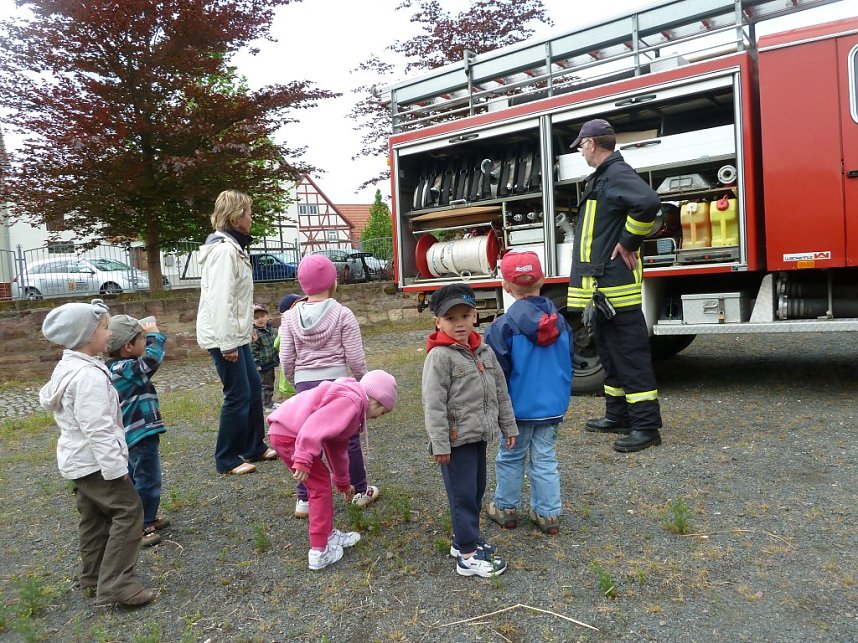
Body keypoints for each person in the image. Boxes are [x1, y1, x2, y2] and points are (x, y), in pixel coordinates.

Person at [39, 299, 155, 607]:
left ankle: (93, 575)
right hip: (96, 463)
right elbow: (98, 428)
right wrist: (116, 469)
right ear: (85, 336)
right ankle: (117, 584)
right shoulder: (88, 377)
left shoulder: (70, 367)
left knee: (93, 518)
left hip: (78, 462)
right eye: (104, 328)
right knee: (129, 512)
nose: (109, 333)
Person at [566, 118, 663, 452]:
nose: (581, 152)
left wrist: (629, 241)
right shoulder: (604, 176)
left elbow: (648, 203)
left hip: (616, 288)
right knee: (610, 355)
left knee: (630, 357)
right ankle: (618, 415)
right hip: (602, 288)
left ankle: (646, 427)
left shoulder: (616, 173)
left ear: (591, 144)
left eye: (581, 146)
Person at [423, 283, 518, 578]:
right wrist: (439, 443)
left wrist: (508, 425)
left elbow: (500, 392)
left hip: (478, 436)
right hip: (455, 442)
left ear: (475, 316)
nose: (459, 324)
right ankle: (467, 556)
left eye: (465, 316)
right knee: (462, 495)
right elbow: (433, 403)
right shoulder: (440, 357)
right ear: (437, 322)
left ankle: (465, 539)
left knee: (476, 490)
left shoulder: (484, 351)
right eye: (451, 319)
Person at [280, 254, 379, 519]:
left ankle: (304, 498)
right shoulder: (343, 314)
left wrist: (294, 379)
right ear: (333, 282)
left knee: (305, 438)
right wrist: (362, 383)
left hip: (305, 384)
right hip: (337, 383)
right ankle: (359, 490)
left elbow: (286, 357)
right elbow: (355, 357)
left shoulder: (289, 317)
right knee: (347, 438)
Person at [267, 370, 398, 570]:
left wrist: (343, 482)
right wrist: (303, 457)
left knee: (320, 485)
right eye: (384, 412)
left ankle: (327, 535)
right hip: (292, 435)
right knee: (319, 488)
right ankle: (319, 552)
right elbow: (314, 425)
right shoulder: (350, 401)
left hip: (288, 433)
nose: (379, 418)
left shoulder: (351, 405)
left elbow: (336, 447)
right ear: (376, 401)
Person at [484, 251, 572, 535]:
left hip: (516, 411)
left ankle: (506, 509)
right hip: (552, 407)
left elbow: (496, 374)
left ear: (506, 286)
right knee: (545, 458)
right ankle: (548, 514)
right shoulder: (561, 322)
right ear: (543, 280)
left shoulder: (502, 327)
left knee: (510, 457)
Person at [196, 189, 278, 475]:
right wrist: (228, 343)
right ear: (235, 217)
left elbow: (238, 300)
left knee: (253, 388)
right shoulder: (223, 252)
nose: (251, 217)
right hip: (223, 336)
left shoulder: (234, 248)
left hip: (235, 333)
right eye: (249, 213)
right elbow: (220, 300)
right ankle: (226, 457)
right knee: (237, 394)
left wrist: (246, 330)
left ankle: (253, 445)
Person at [105, 314, 171, 548]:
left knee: (137, 477)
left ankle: (145, 517)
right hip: (139, 433)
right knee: (148, 478)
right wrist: (155, 335)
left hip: (137, 433)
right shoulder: (125, 368)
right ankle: (140, 525)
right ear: (128, 346)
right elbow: (151, 361)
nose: (146, 342)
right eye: (142, 339)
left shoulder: (117, 367)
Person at [251, 303, 279, 410]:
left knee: (270, 381)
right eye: (256, 318)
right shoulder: (254, 333)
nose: (260, 319)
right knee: (266, 385)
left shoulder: (271, 329)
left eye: (262, 316)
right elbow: (252, 349)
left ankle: (266, 401)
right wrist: (256, 363)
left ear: (267, 316)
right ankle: (267, 404)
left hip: (271, 361)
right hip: (262, 364)